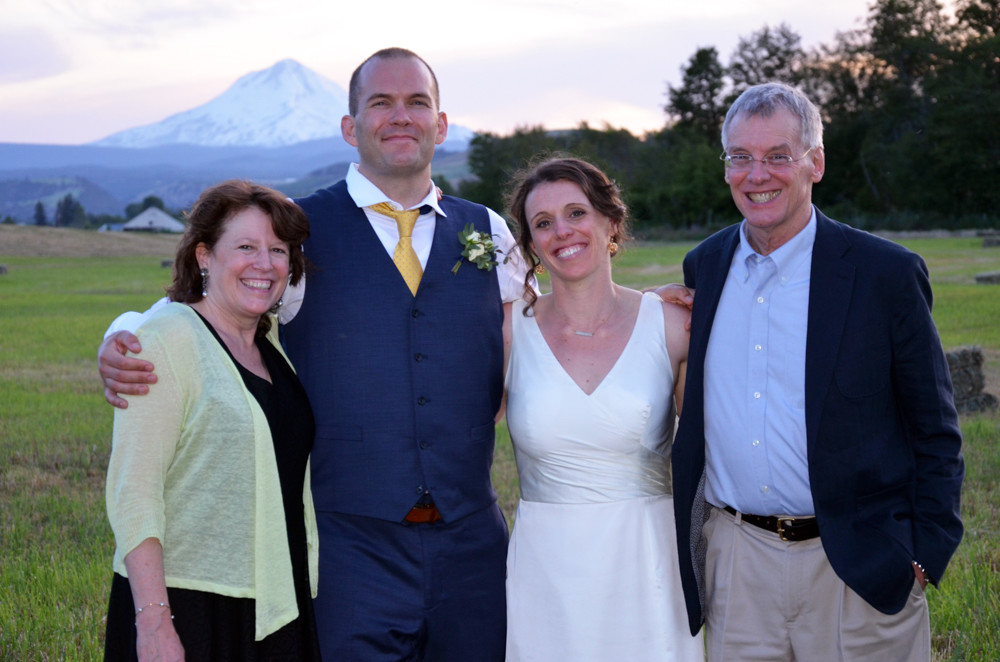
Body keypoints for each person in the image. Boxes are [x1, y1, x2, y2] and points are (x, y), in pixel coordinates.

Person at [99, 48, 528, 662]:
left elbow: (552, 325)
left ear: (441, 123)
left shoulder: (488, 231)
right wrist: (121, 332)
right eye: (380, 103)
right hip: (349, 552)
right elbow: (199, 308)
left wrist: (652, 305)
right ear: (351, 127)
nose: (400, 116)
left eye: (417, 102)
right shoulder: (294, 231)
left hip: (472, 548)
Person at [671, 82, 965, 661]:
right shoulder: (704, 266)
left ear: (816, 163)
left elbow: (935, 428)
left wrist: (922, 553)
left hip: (857, 564)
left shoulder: (885, 274)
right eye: (740, 157)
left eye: (778, 156)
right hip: (738, 563)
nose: (757, 175)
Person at [102, 180, 320, 661]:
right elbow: (134, 489)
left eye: (277, 250)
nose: (264, 264)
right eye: (245, 247)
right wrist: (154, 621)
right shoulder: (166, 340)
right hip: (191, 608)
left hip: (273, 595)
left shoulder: (270, 345)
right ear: (204, 255)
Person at [501, 157, 703, 661]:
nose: (561, 232)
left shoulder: (672, 326)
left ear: (611, 222)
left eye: (576, 213)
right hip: (546, 575)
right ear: (530, 244)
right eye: (543, 223)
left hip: (648, 565)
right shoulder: (507, 330)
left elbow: (713, 456)